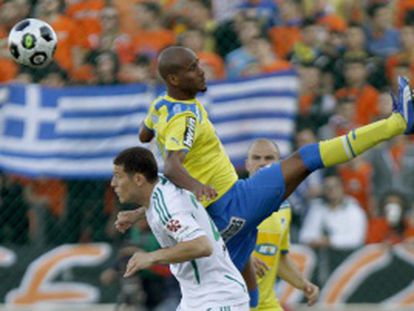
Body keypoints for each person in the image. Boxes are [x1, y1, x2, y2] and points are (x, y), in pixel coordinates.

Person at [133, 45, 414, 308]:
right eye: (193, 68)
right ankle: (397, 124)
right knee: (306, 158)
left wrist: (140, 210)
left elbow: (144, 134)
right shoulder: (185, 116)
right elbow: (171, 165)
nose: (202, 70)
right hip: (230, 206)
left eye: (198, 64)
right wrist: (198, 185)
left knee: (247, 290)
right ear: (174, 77)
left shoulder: (160, 105)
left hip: (222, 216)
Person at [111, 147, 249, 311]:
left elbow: (201, 245)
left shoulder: (168, 207)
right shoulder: (159, 184)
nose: (113, 183)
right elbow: (165, 203)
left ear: (139, 179)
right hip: (194, 299)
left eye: (118, 176)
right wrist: (137, 214)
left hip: (217, 298)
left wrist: (151, 257)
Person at [246, 139, 319, 310]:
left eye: (269, 158)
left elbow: (278, 257)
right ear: (247, 164)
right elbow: (213, 246)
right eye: (256, 158)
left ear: (279, 164)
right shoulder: (233, 200)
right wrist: (243, 257)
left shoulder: (284, 207)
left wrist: (303, 284)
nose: (262, 163)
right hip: (235, 301)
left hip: (266, 304)